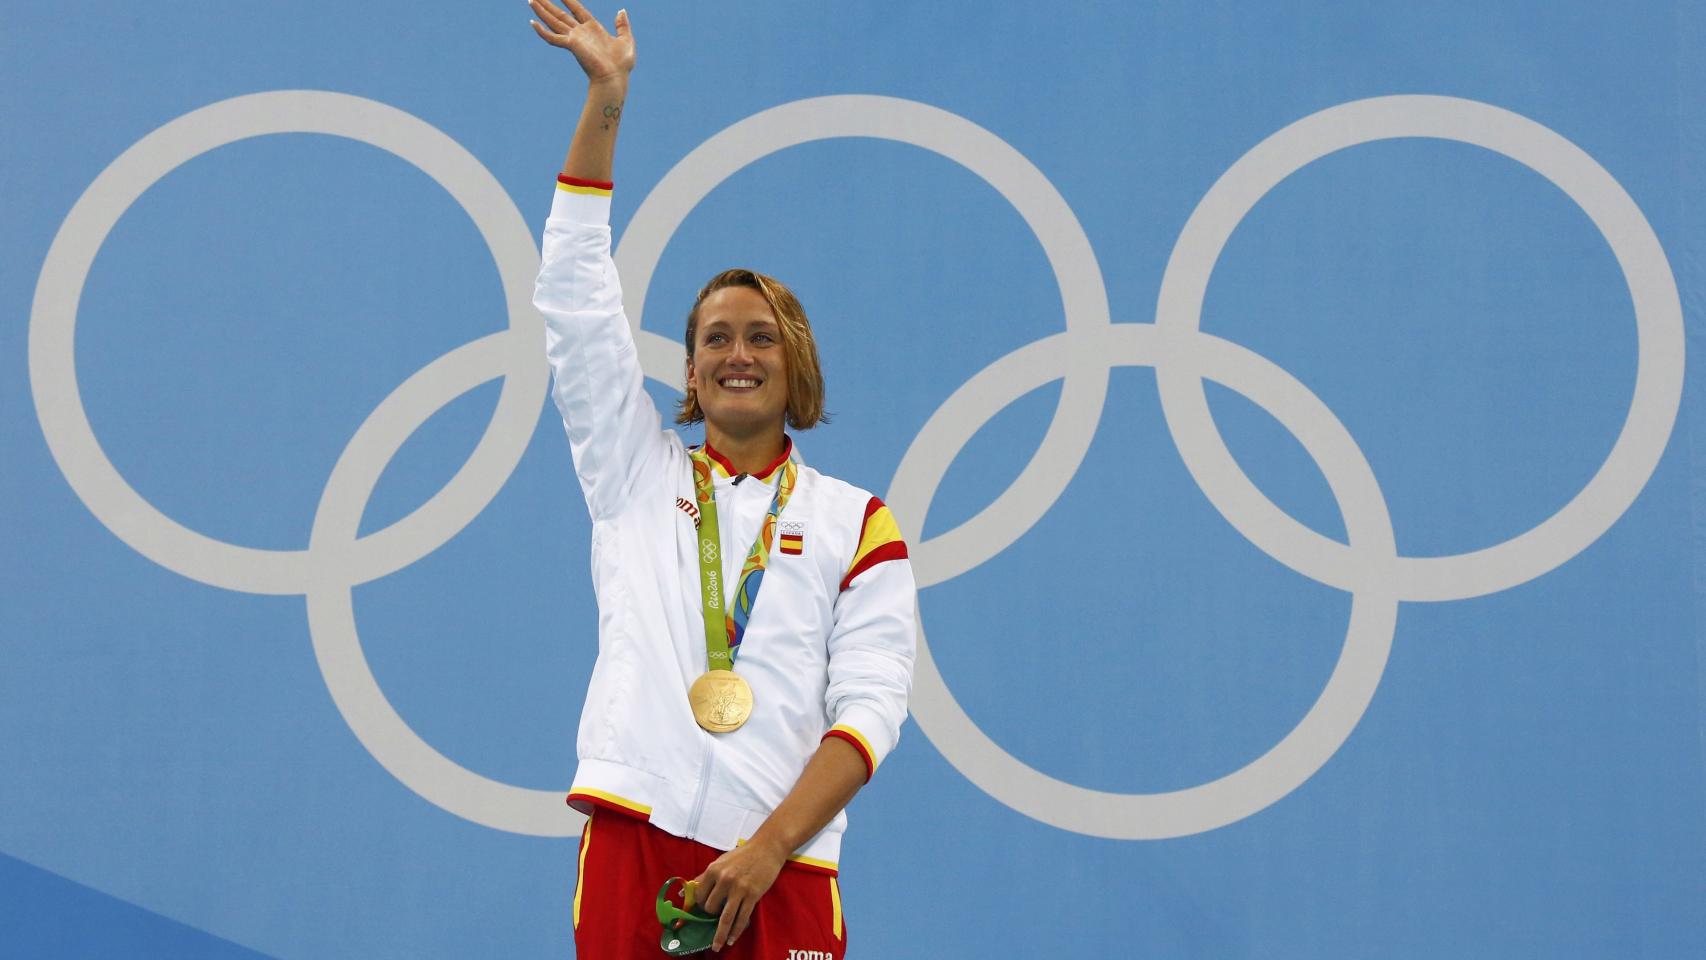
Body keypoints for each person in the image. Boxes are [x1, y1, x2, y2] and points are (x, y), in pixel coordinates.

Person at [527, 3, 918, 956]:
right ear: (691, 374)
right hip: (638, 836)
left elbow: (869, 712)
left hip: (782, 869)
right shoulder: (634, 473)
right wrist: (606, 97)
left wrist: (768, 849)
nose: (737, 353)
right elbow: (574, 297)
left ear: (796, 365)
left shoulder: (856, 523)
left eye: (760, 336)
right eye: (714, 338)